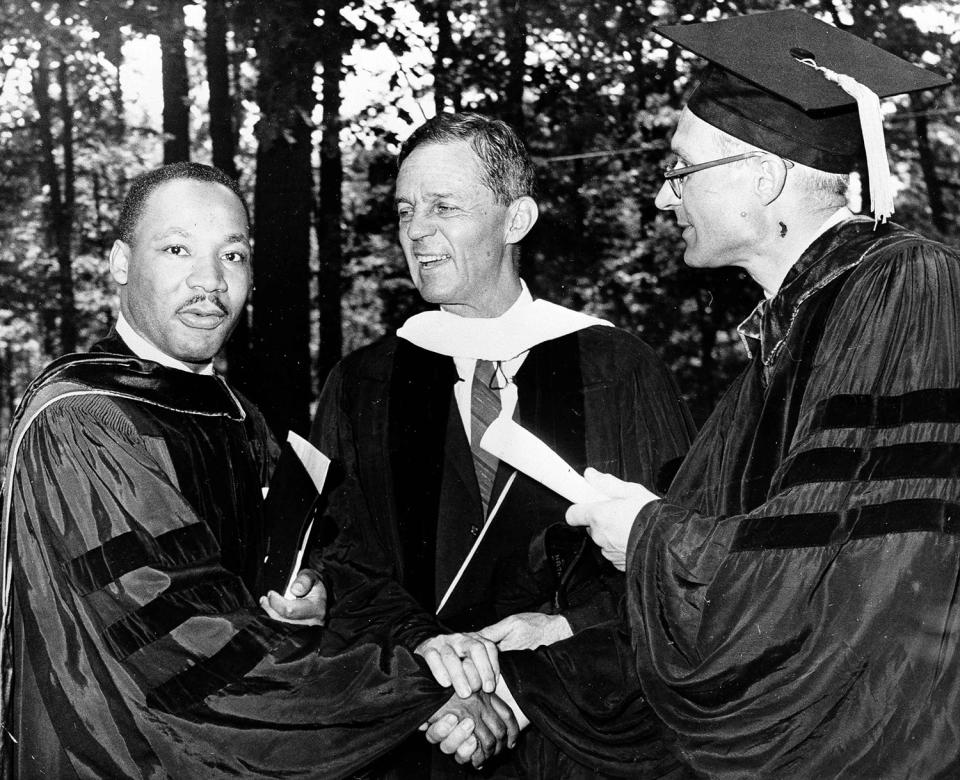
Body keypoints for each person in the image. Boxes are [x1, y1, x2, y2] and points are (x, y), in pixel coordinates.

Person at [451, 9, 960, 778]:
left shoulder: (905, 287)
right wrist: (567, 628)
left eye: (680, 170)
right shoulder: (777, 352)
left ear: (764, 175)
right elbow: (743, 561)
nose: (662, 197)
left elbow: (866, 568)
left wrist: (650, 536)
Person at [0, 161, 517, 778]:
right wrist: (424, 690)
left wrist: (322, 595)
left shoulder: (238, 416)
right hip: (122, 754)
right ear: (119, 263)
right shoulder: (84, 421)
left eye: (233, 256)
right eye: (175, 249)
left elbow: (329, 553)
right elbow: (191, 647)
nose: (209, 282)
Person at [296, 112, 694, 776]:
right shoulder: (362, 383)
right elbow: (340, 560)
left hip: (575, 732)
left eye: (444, 207)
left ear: (516, 221)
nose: (416, 230)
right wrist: (429, 648)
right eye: (404, 212)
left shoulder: (618, 368)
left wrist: (561, 632)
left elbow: (678, 558)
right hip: (418, 730)